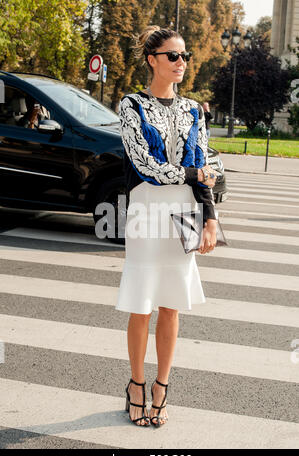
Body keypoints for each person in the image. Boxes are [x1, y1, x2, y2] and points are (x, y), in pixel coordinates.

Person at [115, 25, 218, 428]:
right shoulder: (131, 105)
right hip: (146, 208)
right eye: (173, 56)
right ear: (152, 60)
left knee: (172, 306)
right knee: (142, 305)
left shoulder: (193, 108)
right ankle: (136, 386)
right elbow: (146, 166)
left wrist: (210, 217)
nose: (181, 63)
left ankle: (161, 387)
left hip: (185, 211)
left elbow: (207, 165)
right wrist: (196, 171)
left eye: (184, 56)